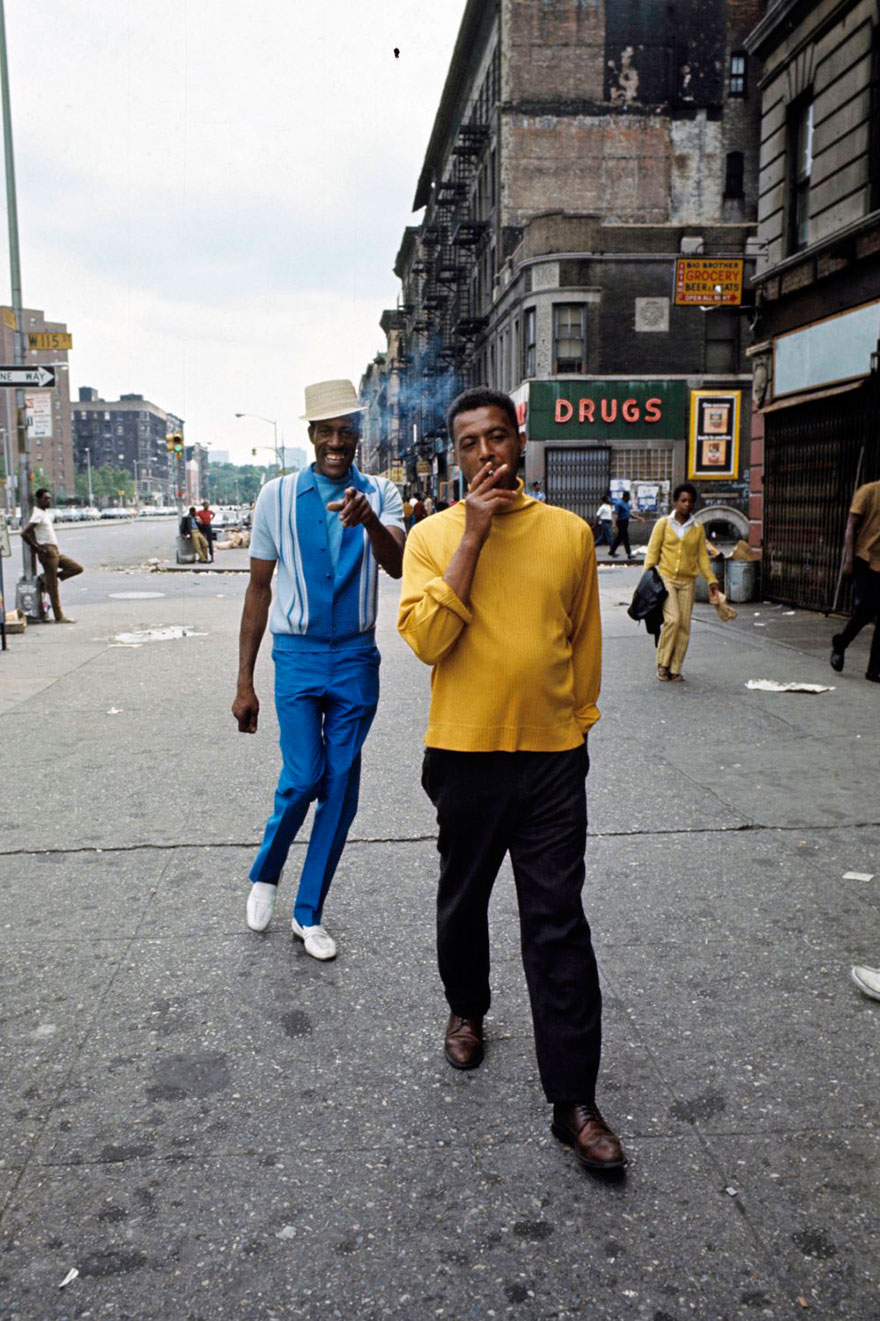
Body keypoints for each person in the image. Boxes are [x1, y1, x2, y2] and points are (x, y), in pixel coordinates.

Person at [398, 385, 625, 1175]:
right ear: (456, 455)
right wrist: (473, 536)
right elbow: (427, 639)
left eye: (498, 437)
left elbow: (583, 637)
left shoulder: (568, 533)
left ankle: (575, 1101)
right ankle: (467, 1007)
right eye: (471, 443)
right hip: (464, 757)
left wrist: (575, 724)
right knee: (463, 902)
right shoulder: (429, 538)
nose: (487, 452)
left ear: (519, 441)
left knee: (558, 921)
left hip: (554, 758)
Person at [232, 379, 405, 960]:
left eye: (346, 431)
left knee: (341, 787)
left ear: (359, 435)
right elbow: (258, 590)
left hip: (356, 657)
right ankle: (266, 872)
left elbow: (399, 563)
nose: (337, 441)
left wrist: (370, 523)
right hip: (298, 657)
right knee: (304, 777)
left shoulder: (382, 492)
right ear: (311, 435)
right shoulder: (275, 496)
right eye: (326, 431)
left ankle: (309, 913)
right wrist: (243, 683)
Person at [643, 482, 720, 681]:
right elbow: (652, 553)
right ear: (675, 502)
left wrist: (712, 580)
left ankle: (675, 668)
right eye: (683, 500)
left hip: (687, 582)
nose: (686, 504)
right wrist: (647, 580)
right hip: (666, 578)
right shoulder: (663, 524)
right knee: (673, 620)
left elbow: (702, 557)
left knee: (684, 625)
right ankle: (663, 664)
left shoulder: (697, 528)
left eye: (690, 501)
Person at [830, 478, 880, 682]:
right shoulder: (868, 491)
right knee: (863, 611)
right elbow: (851, 525)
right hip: (865, 558)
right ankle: (841, 643)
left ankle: (874, 669)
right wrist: (848, 559)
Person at [20, 488, 83, 623]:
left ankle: (46, 579)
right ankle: (59, 616)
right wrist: (37, 547)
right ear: (38, 500)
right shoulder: (37, 514)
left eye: (49, 498)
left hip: (54, 550)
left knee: (76, 568)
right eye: (45, 498)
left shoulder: (43, 513)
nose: (48, 500)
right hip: (47, 551)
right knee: (53, 587)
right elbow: (25, 533)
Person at [608, 490, 643, 558]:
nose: (629, 498)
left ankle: (611, 551)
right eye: (629, 497)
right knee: (625, 538)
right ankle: (629, 554)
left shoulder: (626, 503)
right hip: (621, 522)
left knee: (619, 538)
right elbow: (615, 515)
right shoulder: (619, 503)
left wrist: (638, 517)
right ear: (625, 496)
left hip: (625, 522)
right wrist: (614, 525)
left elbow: (628, 513)